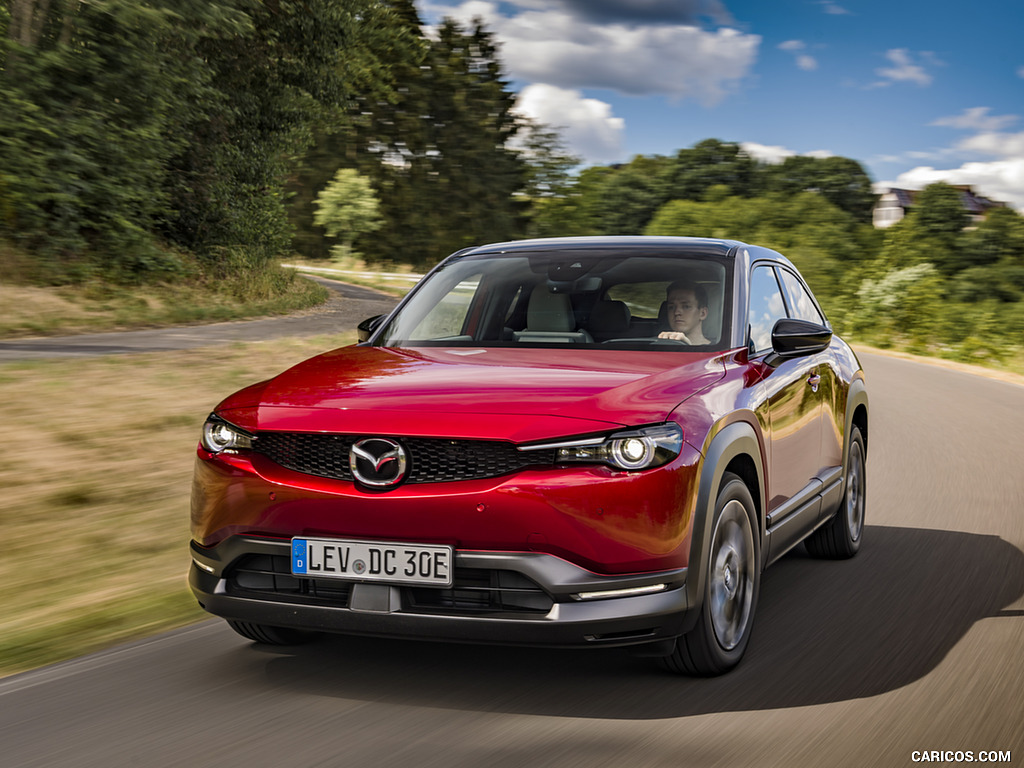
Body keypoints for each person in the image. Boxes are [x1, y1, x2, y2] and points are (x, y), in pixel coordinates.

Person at [658, 280, 710, 344]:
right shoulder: (658, 344)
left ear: (702, 314)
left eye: (686, 307)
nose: (676, 312)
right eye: (671, 307)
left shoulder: (716, 350)